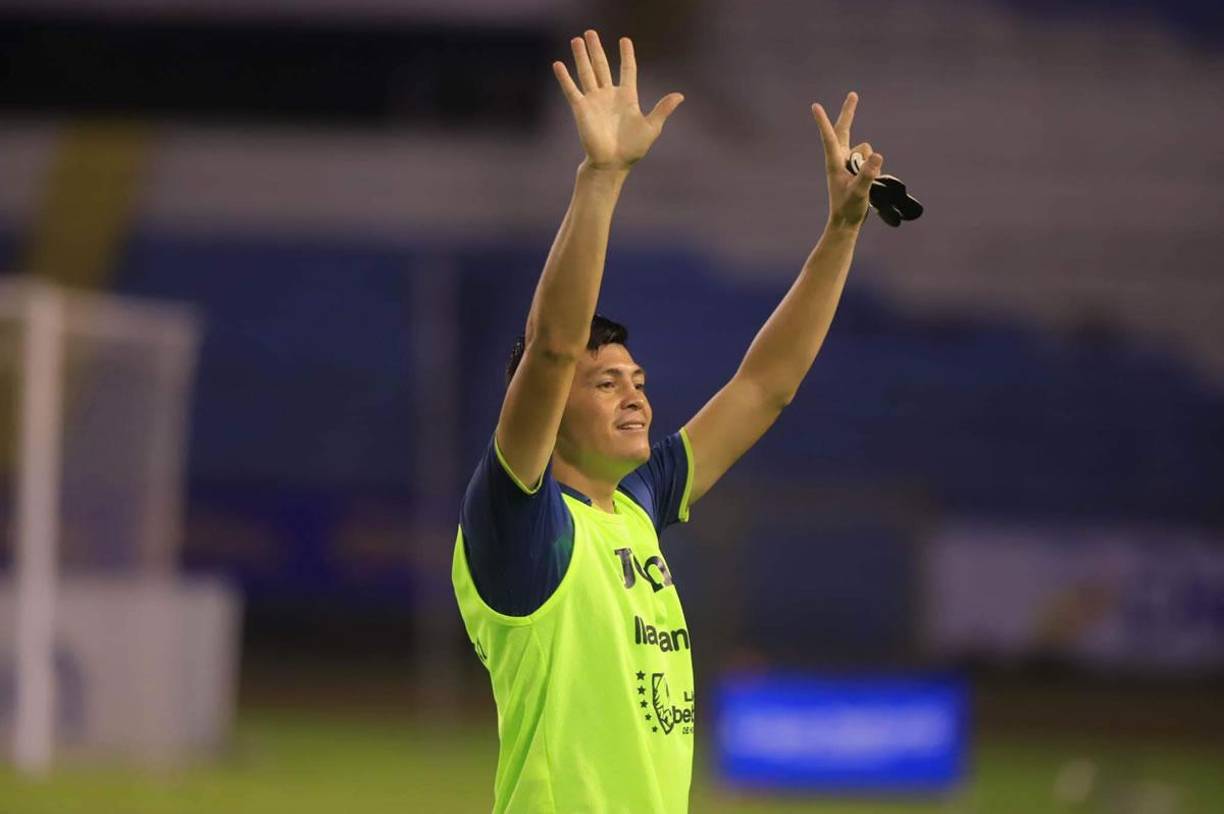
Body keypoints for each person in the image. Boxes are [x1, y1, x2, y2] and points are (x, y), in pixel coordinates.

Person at [452, 28, 886, 814]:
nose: (636, 397)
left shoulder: (638, 503)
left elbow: (765, 387)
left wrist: (842, 232)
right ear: (547, 411)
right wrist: (602, 177)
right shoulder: (522, 527)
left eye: (639, 382)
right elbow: (552, 348)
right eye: (606, 382)